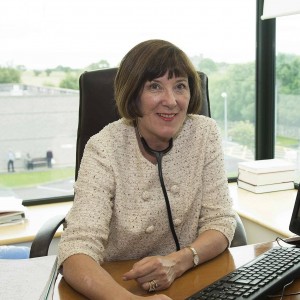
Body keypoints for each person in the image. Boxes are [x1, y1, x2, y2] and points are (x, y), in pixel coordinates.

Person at [58, 39, 237, 300]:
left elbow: (220, 221)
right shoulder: (103, 148)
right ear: (133, 95)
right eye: (155, 87)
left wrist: (179, 262)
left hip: (187, 277)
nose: (171, 101)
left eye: (180, 87)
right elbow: (75, 250)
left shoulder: (204, 134)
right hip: (118, 284)